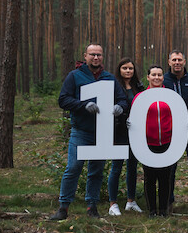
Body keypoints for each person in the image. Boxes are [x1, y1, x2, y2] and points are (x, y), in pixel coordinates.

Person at [49, 44, 129, 220]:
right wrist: (82, 105)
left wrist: (120, 107)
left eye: (99, 55)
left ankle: (92, 206)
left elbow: (123, 99)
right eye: (92, 54)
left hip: (103, 132)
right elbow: (63, 100)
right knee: (73, 168)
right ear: (85, 56)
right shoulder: (75, 76)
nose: (96, 58)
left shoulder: (109, 78)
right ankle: (63, 207)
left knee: (96, 171)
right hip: (81, 131)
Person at [163, 50, 188, 211]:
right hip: (171, 132)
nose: (177, 62)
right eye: (174, 60)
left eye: (180, 60)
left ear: (184, 62)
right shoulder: (164, 80)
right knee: (170, 168)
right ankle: (168, 200)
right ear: (169, 62)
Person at [107, 57, 144, 215]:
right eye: (124, 68)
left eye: (130, 68)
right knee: (116, 167)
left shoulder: (138, 86)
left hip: (134, 132)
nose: (128, 71)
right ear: (119, 70)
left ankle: (131, 201)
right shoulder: (114, 86)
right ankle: (113, 203)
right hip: (119, 131)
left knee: (132, 167)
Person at [136, 65, 174, 216]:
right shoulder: (141, 97)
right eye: (154, 75)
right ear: (148, 77)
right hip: (148, 143)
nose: (157, 77)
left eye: (159, 75)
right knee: (149, 177)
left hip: (167, 142)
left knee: (165, 178)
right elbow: (135, 117)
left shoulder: (170, 96)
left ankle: (163, 209)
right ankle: (152, 209)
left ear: (163, 77)